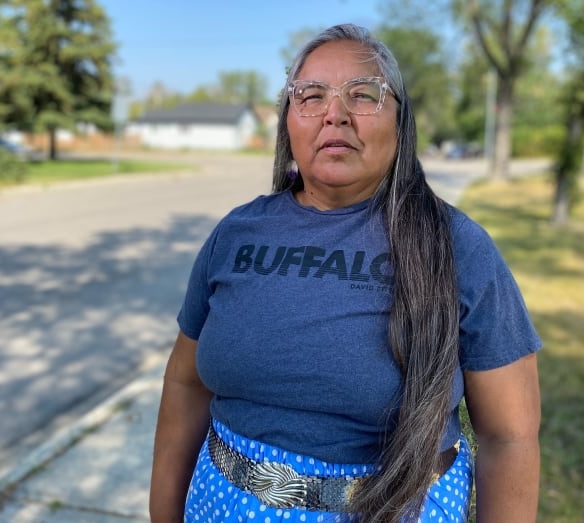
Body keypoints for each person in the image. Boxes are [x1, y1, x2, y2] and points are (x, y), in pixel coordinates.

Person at [150, 23, 541, 523]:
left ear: (401, 121)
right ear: (288, 122)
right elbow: (185, 385)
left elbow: (508, 436)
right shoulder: (236, 234)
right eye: (310, 96)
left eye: (363, 95)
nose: (335, 114)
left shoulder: (459, 247)